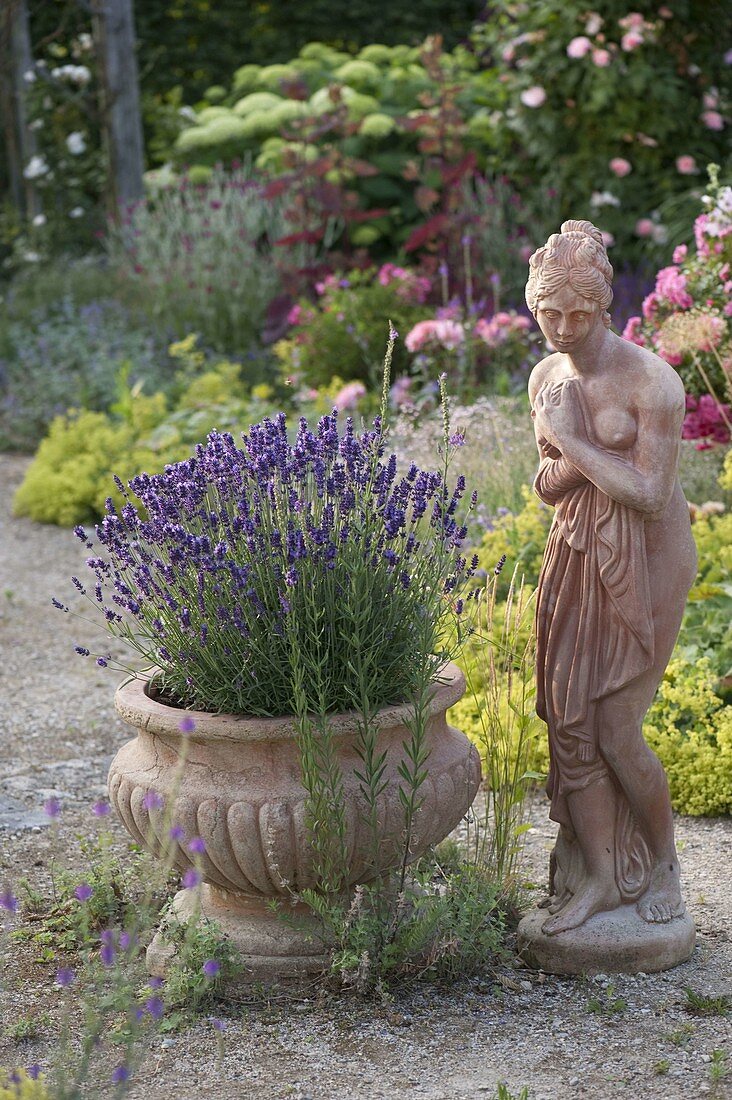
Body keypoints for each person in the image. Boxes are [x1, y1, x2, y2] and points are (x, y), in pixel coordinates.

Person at [526, 219, 697, 936]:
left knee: (618, 727)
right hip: (576, 552)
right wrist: (569, 454)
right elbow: (547, 485)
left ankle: (661, 865)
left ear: (605, 311)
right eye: (548, 314)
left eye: (578, 314)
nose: (562, 329)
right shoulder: (544, 378)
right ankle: (599, 876)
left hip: (650, 559)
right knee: (571, 726)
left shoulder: (652, 382)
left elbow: (651, 493)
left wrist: (576, 441)